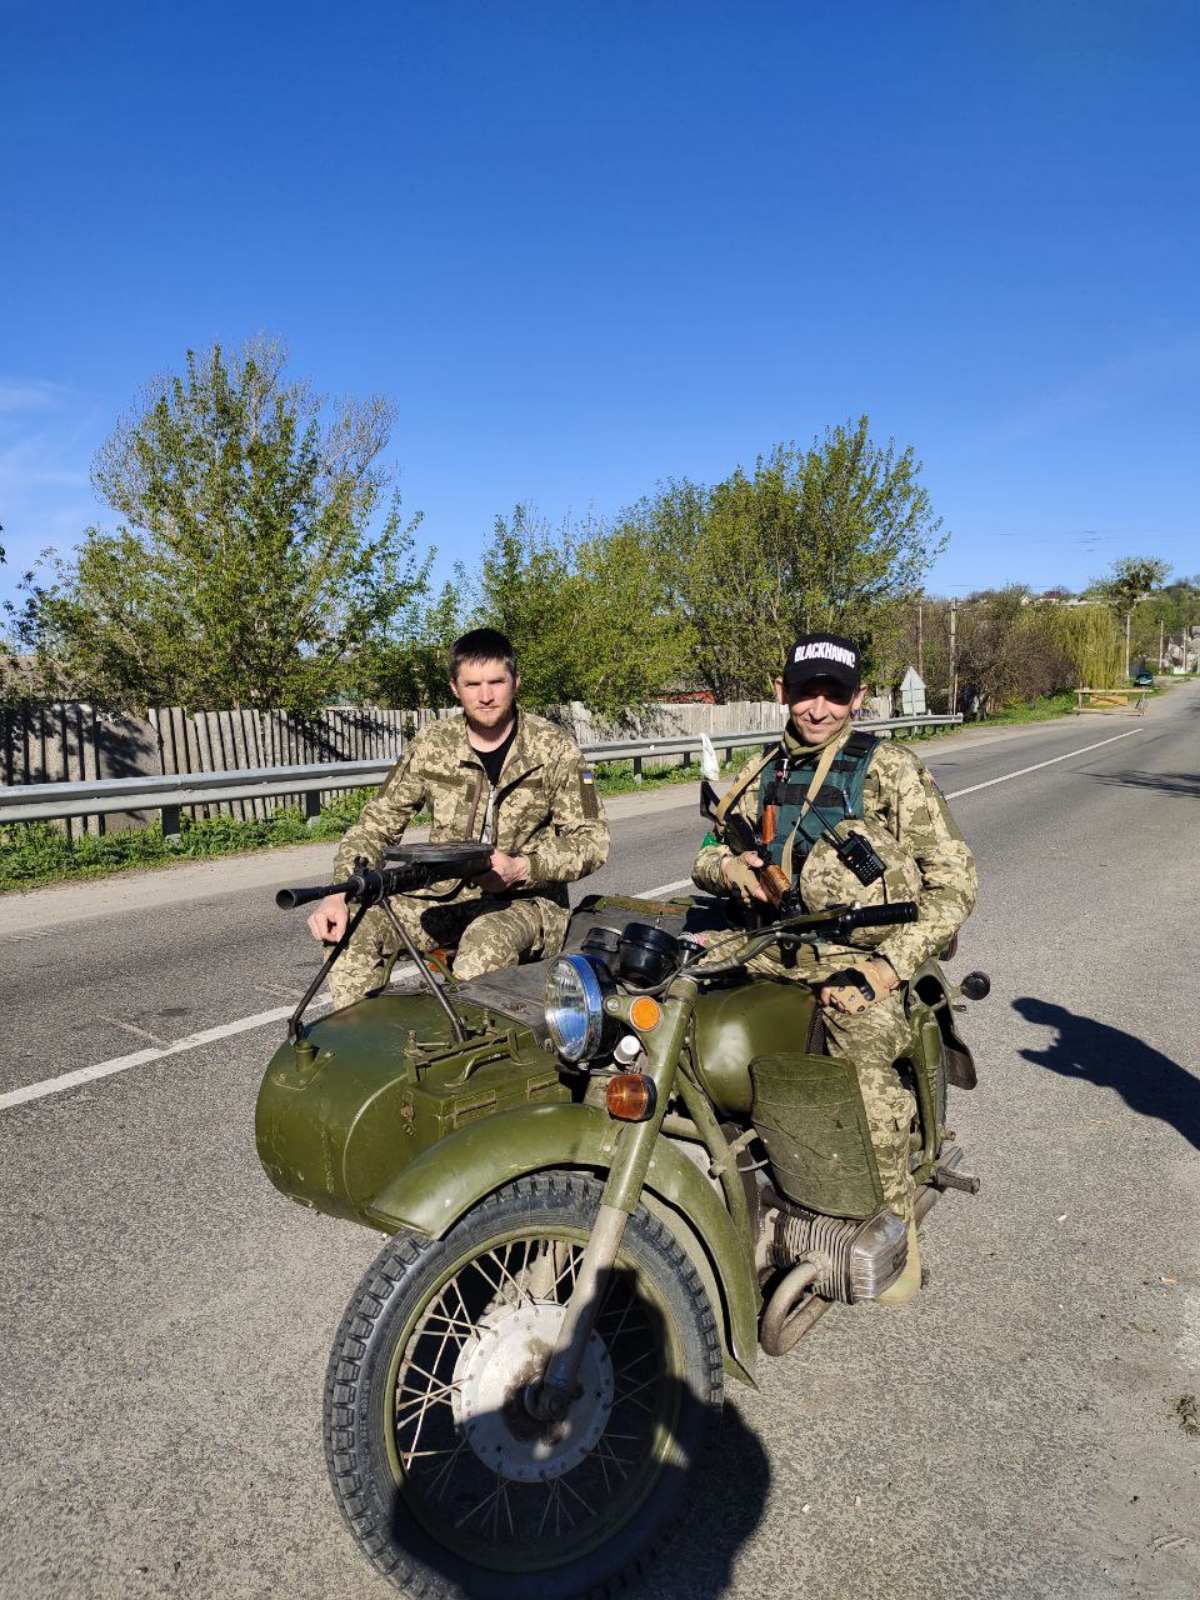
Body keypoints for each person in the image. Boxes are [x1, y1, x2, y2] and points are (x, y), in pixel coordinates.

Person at [691, 632, 976, 1303]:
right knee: (669, 1009)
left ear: (859, 698)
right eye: (805, 691)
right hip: (772, 947)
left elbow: (955, 886)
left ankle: (895, 1238)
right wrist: (735, 869)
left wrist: (882, 972)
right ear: (781, 691)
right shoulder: (761, 770)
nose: (818, 707)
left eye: (835, 693)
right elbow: (703, 856)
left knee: (863, 1071)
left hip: (860, 958)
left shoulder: (889, 770)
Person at [308, 627, 610, 1007]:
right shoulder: (433, 744)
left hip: (526, 902)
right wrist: (340, 891)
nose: (485, 696)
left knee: (484, 944)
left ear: (516, 681)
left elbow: (592, 842)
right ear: (454, 687)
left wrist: (521, 868)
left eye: (496, 682)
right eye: (473, 684)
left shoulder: (553, 747)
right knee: (353, 925)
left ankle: (472, 1059)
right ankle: (364, 1051)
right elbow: (376, 824)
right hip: (444, 898)